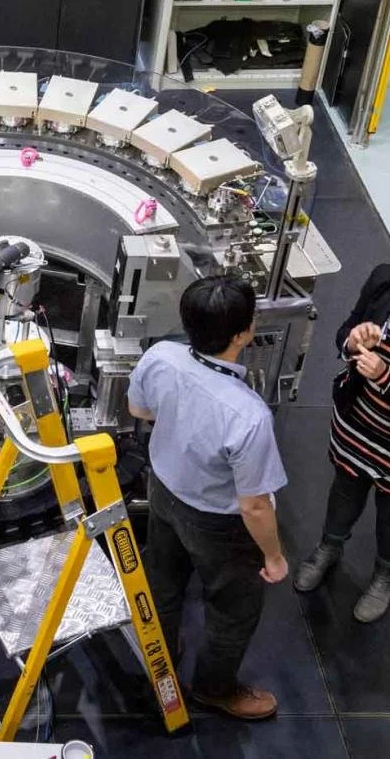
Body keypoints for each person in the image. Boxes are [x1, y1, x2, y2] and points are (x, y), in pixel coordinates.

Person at [128, 274, 288, 721]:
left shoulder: (160, 356)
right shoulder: (249, 415)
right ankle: (215, 690)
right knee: (233, 611)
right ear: (242, 334)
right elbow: (254, 504)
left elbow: (138, 410)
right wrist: (274, 557)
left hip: (163, 493)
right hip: (219, 523)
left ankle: (160, 664)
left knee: (163, 587)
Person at [294, 217, 390, 621]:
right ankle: (329, 547)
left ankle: (385, 576)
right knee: (345, 487)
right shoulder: (384, 279)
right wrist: (354, 342)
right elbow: (346, 331)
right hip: (356, 421)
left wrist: (387, 376)